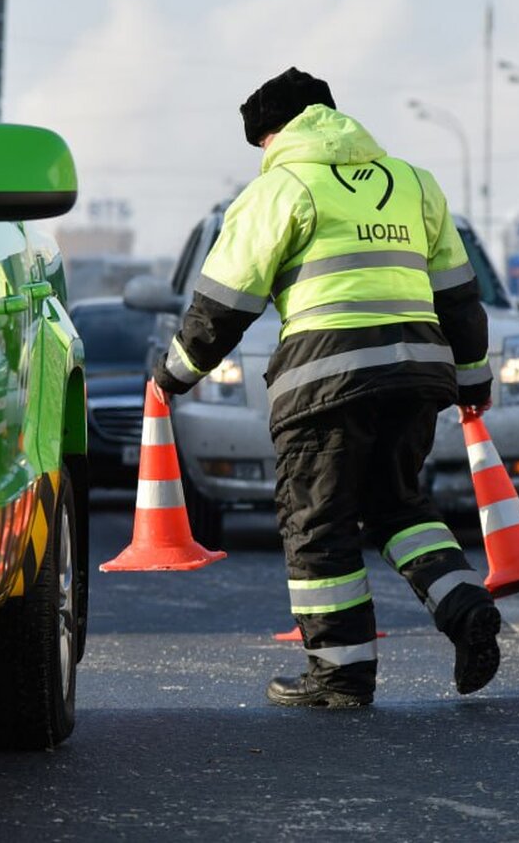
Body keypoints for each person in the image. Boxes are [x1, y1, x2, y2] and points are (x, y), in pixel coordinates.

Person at [151, 67, 500, 709]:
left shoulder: (281, 188)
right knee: (401, 507)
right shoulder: (413, 182)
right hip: (418, 374)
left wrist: (173, 374)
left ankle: (339, 674)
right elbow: (459, 296)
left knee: (318, 524)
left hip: (326, 379)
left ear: (273, 133)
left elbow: (224, 304)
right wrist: (473, 380)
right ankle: (466, 606)